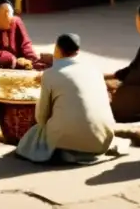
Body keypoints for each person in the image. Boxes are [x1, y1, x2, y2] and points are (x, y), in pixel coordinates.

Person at [16, 33, 120, 165]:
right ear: (78, 51)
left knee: (32, 136)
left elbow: (41, 117)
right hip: (103, 139)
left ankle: (65, 150)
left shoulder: (50, 74)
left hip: (69, 139)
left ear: (57, 50)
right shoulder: (94, 70)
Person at [0, 0, 49, 71]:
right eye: (4, 14)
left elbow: (26, 44)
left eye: (9, 13)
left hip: (19, 62)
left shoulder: (15, 22)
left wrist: (32, 61)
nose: (7, 17)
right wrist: (12, 59)